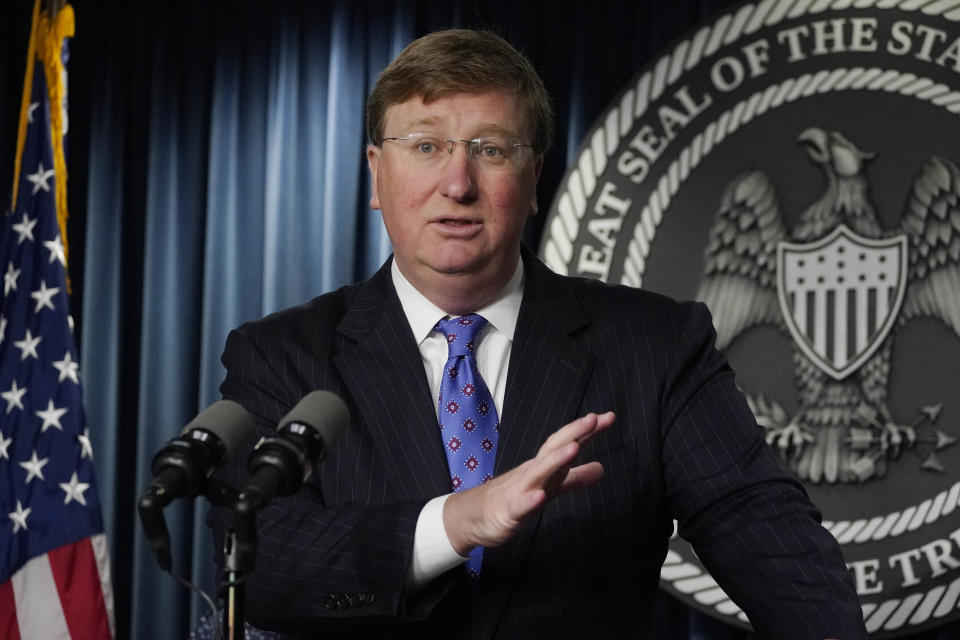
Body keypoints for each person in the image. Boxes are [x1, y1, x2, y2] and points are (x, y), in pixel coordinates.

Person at [207, 29, 866, 639]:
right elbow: (259, 565)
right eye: (426, 146)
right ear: (377, 173)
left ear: (533, 182)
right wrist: (458, 522)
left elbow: (765, 534)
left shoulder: (655, 345)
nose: (457, 183)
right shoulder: (282, 354)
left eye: (491, 149)